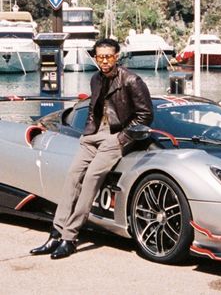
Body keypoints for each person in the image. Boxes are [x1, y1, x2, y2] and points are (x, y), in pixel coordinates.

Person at [30, 38, 153, 260]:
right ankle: (55, 233)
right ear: (95, 58)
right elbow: (94, 108)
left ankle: (70, 237)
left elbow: (145, 115)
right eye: (100, 57)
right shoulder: (96, 78)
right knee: (72, 178)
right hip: (92, 136)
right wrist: (88, 133)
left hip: (115, 138)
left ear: (117, 56)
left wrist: (121, 138)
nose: (104, 61)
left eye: (109, 56)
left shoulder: (132, 80)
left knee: (90, 180)